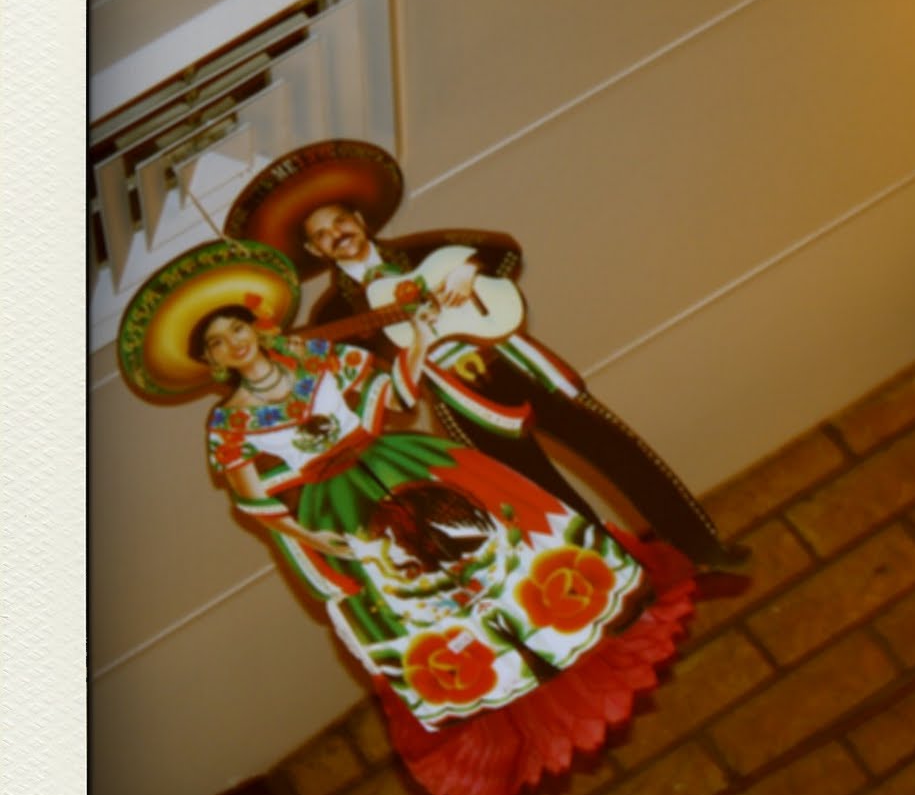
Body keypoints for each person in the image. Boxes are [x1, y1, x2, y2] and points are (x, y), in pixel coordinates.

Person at [116, 239, 698, 795]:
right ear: (213, 363)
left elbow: (395, 395)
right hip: (338, 509)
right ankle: (493, 671)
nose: (233, 343)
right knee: (418, 602)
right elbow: (252, 502)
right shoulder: (228, 423)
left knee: (501, 549)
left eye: (235, 328)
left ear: (257, 326)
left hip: (405, 465)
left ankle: (555, 623)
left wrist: (417, 337)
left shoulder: (322, 358)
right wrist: (309, 536)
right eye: (217, 343)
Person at [223, 139, 749, 571]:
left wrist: (467, 270)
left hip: (519, 366)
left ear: (359, 219)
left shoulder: (425, 249)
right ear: (314, 251)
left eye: (340, 222)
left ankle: (703, 548)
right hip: (463, 402)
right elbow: (347, 383)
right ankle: (624, 584)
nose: (336, 236)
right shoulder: (335, 312)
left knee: (618, 450)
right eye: (322, 236)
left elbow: (503, 249)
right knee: (547, 501)